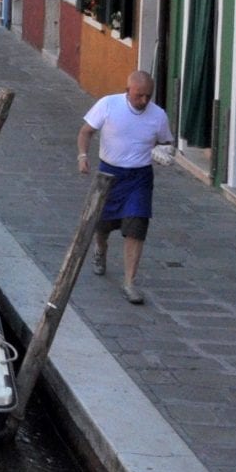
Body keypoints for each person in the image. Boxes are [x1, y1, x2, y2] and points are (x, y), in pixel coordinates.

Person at [78, 70, 174, 305]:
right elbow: (86, 131)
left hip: (139, 177)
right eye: (138, 95)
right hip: (109, 173)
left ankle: (130, 282)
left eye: (147, 96)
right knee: (102, 224)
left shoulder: (158, 115)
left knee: (137, 225)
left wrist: (165, 153)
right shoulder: (108, 105)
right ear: (127, 90)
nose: (143, 101)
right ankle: (100, 249)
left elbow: (166, 142)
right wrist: (82, 155)